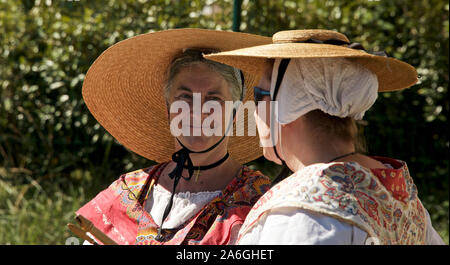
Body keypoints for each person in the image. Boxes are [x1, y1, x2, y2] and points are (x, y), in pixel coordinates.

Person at [205, 29, 445, 244]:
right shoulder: (399, 194)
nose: (254, 109)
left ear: (288, 105)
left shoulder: (303, 213)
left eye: (259, 95)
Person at [73, 28, 272, 245]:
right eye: (185, 97)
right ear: (168, 109)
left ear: (235, 113)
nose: (197, 111)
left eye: (213, 98)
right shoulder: (127, 192)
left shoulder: (261, 204)